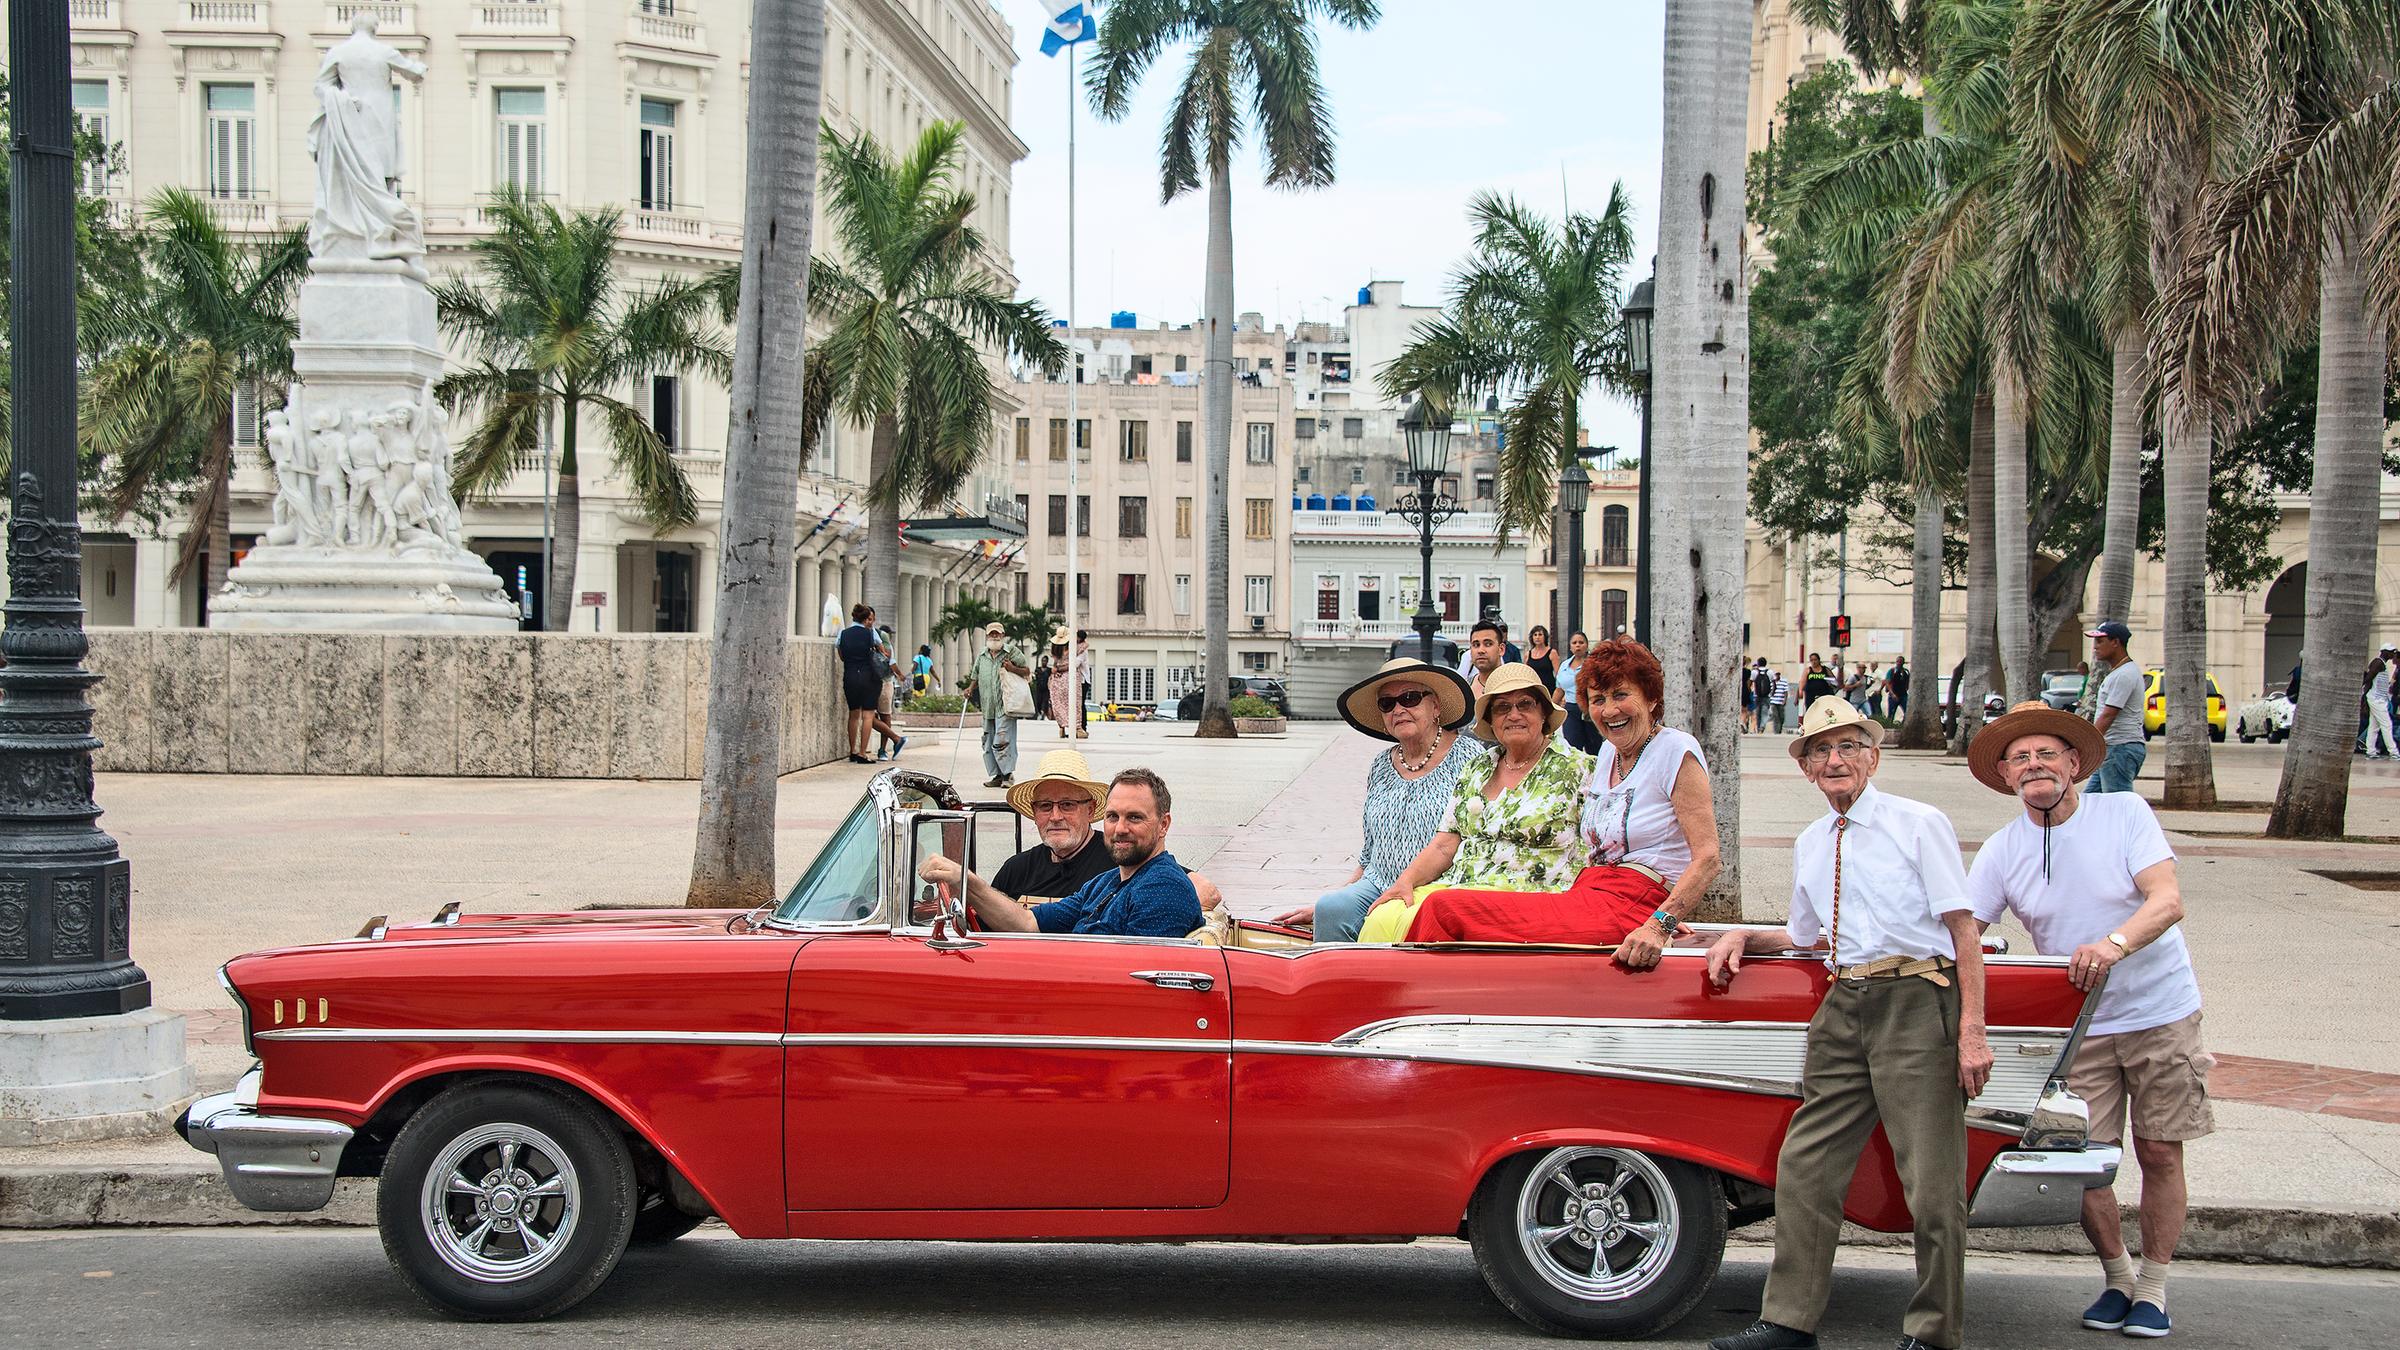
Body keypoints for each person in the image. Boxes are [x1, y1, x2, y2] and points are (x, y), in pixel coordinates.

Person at [1704, 696, 1990, 1350]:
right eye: (1820, 752)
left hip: (1916, 996)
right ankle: (1788, 1322)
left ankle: (1935, 1333)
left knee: (1933, 1183)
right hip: (1844, 1001)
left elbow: (1963, 930)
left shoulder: (1918, 823)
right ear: (1805, 768)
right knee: (1805, 1167)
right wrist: (1740, 936)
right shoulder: (1812, 841)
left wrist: (1972, 1029)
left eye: (1848, 748)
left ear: (1873, 757)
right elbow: (1804, 936)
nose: (1835, 761)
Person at [1965, 702, 2207, 1340]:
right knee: (2087, 1159)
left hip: (2159, 1011)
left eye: (2047, 753)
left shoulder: (2123, 812)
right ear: (2006, 775)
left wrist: (2114, 944)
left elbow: (2167, 899)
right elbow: (1966, 935)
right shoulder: (2001, 850)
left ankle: (2154, 1287)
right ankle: (2118, 1277)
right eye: (2020, 757)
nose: (2035, 765)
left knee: (2158, 1148)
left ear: (2074, 763)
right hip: (2079, 1027)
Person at [1403, 639, 1720, 962]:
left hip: (1631, 901)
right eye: (1598, 700)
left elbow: (1708, 858)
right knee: (1446, 909)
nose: (1609, 710)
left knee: (1445, 909)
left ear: (1652, 698)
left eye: (1621, 695)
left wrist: (1660, 922)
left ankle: (1412, 998)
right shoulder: (1610, 752)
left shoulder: (1676, 749)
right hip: (1591, 891)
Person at [1362, 663, 1595, 940]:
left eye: (1525, 704)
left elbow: (1600, 848)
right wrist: (1405, 882)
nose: (1514, 714)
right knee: (1383, 917)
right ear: (1491, 720)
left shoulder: (1579, 768)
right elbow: (1444, 844)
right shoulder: (1477, 768)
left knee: (1435, 914)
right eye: (1502, 707)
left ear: (1544, 713)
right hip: (1463, 885)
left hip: (1531, 894)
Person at [1272, 660, 1485, 941]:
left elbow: (1477, 838)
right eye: (1387, 704)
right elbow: (1371, 850)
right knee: (1331, 909)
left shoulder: (1469, 756)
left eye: (1410, 698)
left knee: (1399, 920)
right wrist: (1341, 896)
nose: (1398, 709)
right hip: (1379, 881)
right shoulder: (1381, 765)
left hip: (1441, 885)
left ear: (1435, 707)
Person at [932, 767, 1201, 938]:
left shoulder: (1161, 886)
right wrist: (967, 880)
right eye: (1112, 816)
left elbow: (1134, 982)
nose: (1120, 828)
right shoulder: (1106, 882)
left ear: (1163, 824)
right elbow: (1028, 923)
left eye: (1134, 818)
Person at [965, 623, 1030, 788]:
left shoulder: (1012, 652)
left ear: (1003, 635)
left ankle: (1008, 775)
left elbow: (1027, 671)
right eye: (992, 634)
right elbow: (975, 675)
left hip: (1005, 706)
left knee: (1003, 740)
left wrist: (1012, 668)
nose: (995, 637)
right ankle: (997, 775)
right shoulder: (982, 655)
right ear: (987, 636)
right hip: (987, 706)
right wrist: (970, 689)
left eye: (998, 634)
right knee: (988, 741)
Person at [2086, 621, 2146, 793]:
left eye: (2100, 641)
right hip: (2111, 749)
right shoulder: (2119, 672)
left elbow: (2109, 715)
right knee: (2091, 803)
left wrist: (2085, 742)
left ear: (2115, 642)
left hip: (2120, 749)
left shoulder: (2125, 674)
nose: (2095, 647)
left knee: (2118, 806)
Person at [837, 604, 883, 764]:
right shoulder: (871, 633)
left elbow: (841, 654)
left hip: (850, 676)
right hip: (868, 677)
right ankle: (863, 753)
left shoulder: (843, 634)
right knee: (868, 715)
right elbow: (882, 652)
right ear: (865, 619)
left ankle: (852, 751)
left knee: (853, 714)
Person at [1559, 631, 1601, 753]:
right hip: (1571, 709)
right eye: (1574, 643)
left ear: (1587, 645)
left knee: (1593, 746)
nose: (1578, 645)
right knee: (1572, 747)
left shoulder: (1593, 665)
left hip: (1590, 709)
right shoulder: (1564, 665)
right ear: (1570, 647)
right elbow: (1560, 689)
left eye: (1581, 642)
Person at [871, 624, 904, 760]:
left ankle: (883, 750)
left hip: (884, 681)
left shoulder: (881, 635)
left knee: (883, 716)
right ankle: (896, 739)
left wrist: (899, 674)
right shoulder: (865, 632)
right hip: (870, 681)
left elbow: (890, 659)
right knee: (869, 716)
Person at [1046, 630, 1077, 740]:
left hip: (1057, 680)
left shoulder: (1056, 651)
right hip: (1066, 679)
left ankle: (1062, 727)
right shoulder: (1071, 651)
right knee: (1067, 703)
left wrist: (1056, 670)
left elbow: (1055, 667)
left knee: (1058, 704)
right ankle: (1068, 726)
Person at [2366, 652, 2396, 759]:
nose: (2393, 654)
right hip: (2376, 699)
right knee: (2386, 725)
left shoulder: (2382, 663)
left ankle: (2370, 751)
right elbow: (2369, 678)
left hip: (2380, 699)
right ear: (2385, 652)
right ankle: (2394, 752)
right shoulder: (2378, 662)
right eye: (2391, 652)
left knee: (2374, 726)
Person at [1523, 624, 1558, 693]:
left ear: (1545, 637)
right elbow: (1525, 673)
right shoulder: (1528, 654)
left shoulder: (1552, 652)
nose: (1537, 637)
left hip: (1548, 689)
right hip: (1533, 689)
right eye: (1535, 635)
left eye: (1540, 634)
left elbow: (1558, 674)